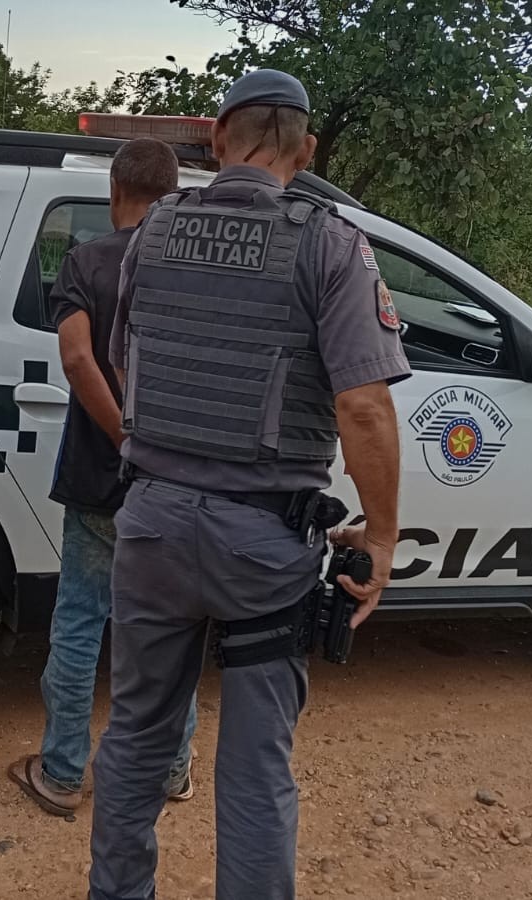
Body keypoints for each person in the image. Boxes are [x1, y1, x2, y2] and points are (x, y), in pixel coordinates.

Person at [88, 70, 411, 900]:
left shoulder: (152, 230)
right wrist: (379, 537)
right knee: (256, 766)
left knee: (135, 738)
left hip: (151, 527)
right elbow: (363, 407)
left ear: (217, 138)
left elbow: (125, 365)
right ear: (306, 150)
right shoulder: (330, 243)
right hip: (263, 546)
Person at [7, 138, 200, 818]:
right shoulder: (196, 269)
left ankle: (61, 775)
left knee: (80, 624)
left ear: (114, 191)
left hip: (99, 482)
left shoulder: (86, 262)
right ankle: (173, 771)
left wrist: (125, 439)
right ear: (173, 196)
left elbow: (76, 360)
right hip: (180, 485)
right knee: (171, 634)